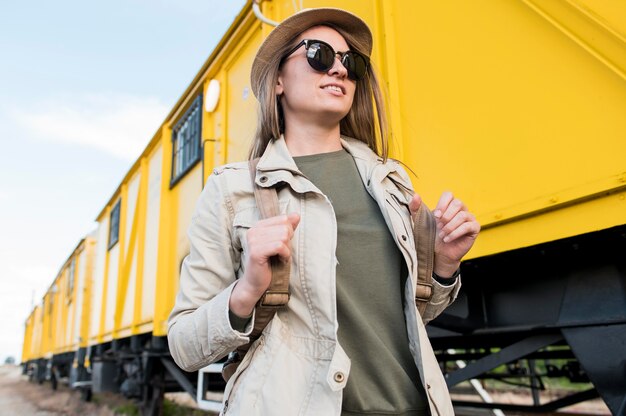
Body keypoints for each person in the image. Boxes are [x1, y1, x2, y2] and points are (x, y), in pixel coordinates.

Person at [168, 7, 480, 416]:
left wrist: (442, 266)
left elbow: (401, 315)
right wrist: (246, 291)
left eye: (351, 62)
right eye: (318, 54)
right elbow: (184, 345)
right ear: (277, 81)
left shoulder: (391, 182)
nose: (338, 70)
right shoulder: (232, 190)